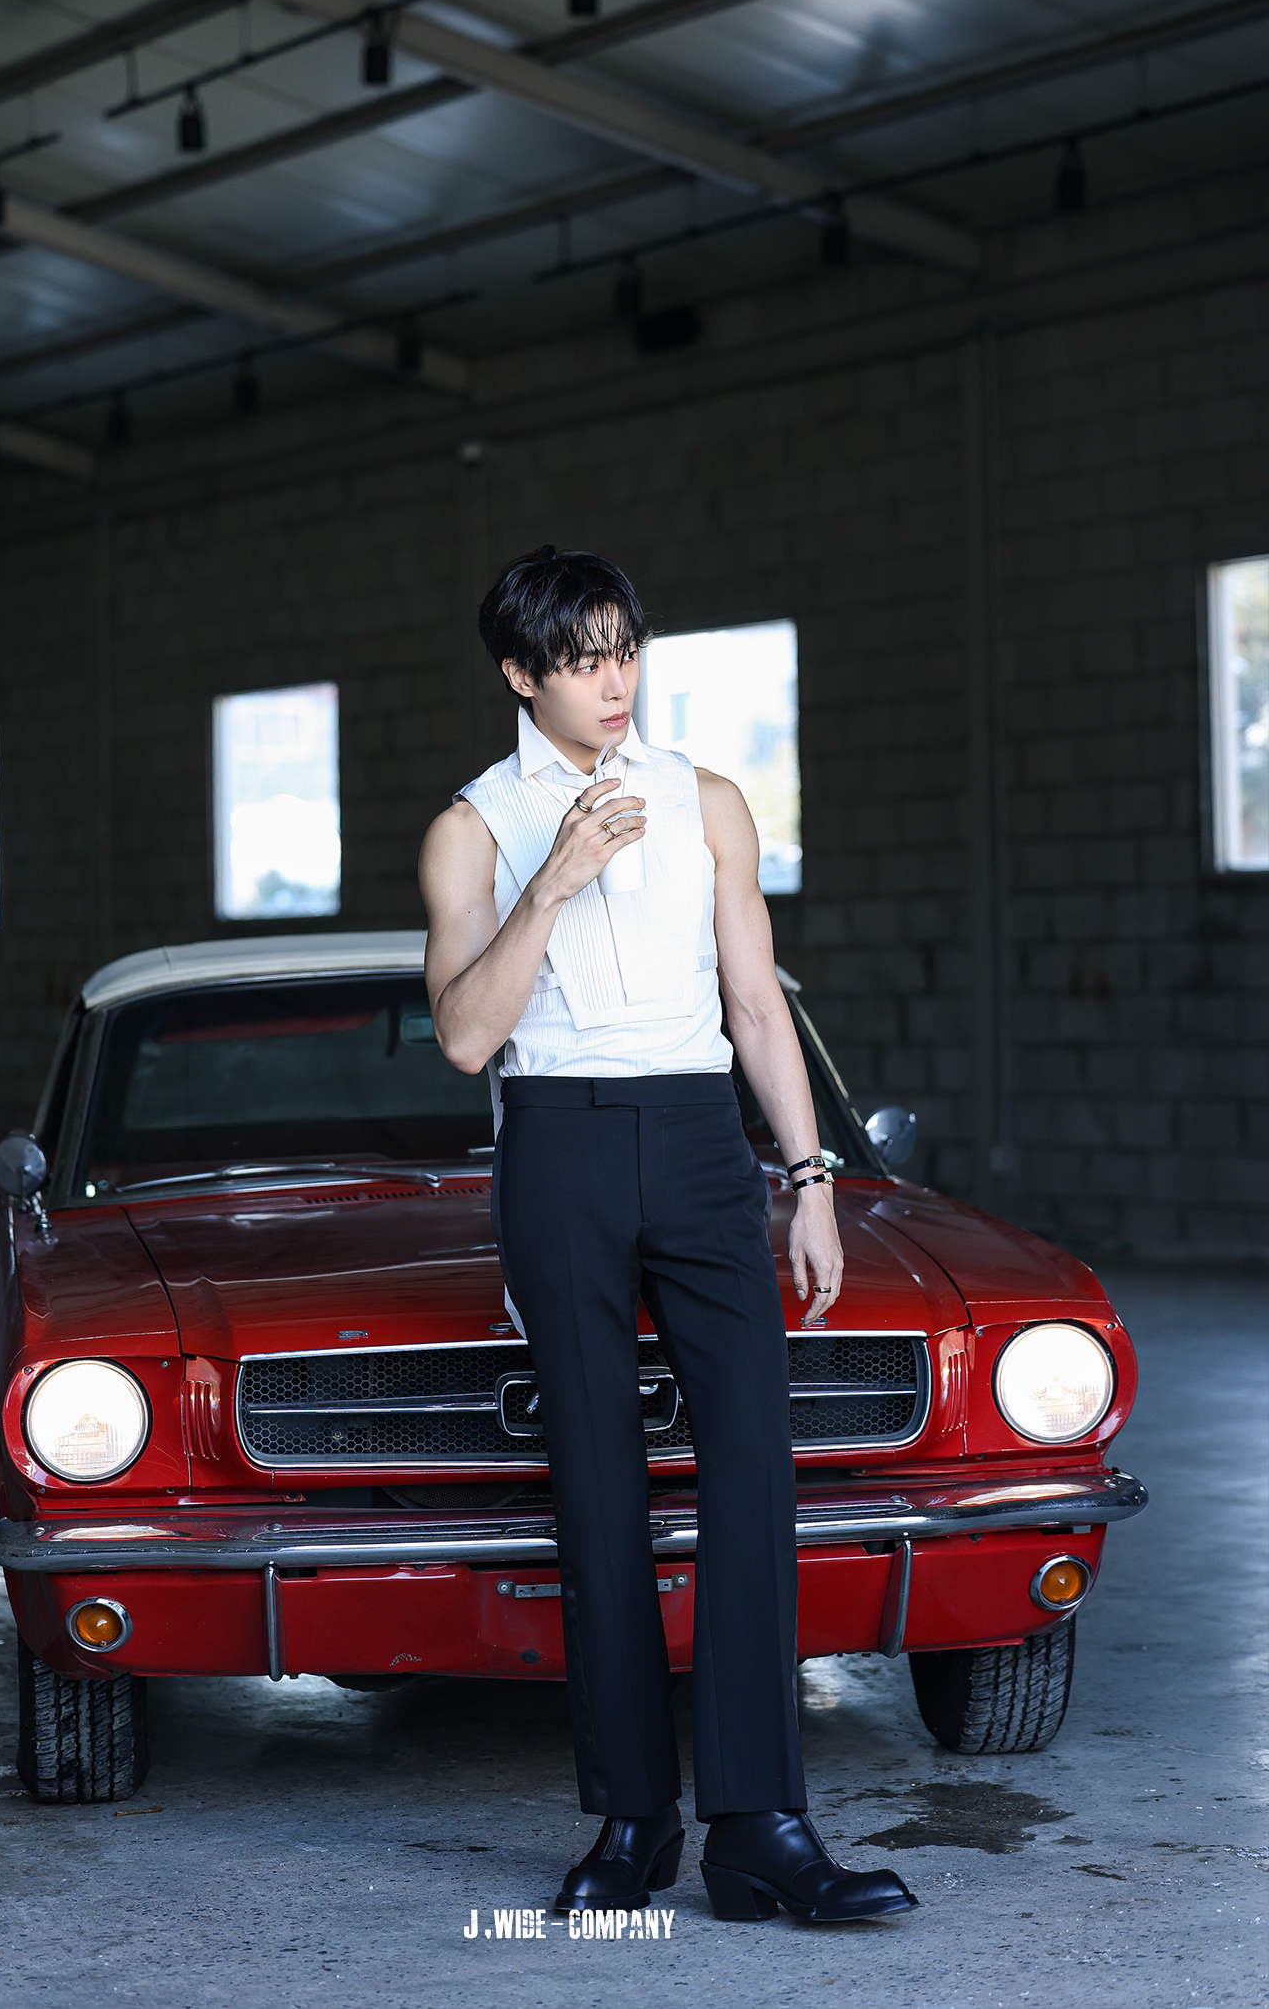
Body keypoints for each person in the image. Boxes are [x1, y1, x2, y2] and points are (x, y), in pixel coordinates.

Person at [419, 546, 916, 1925]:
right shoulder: (472, 830)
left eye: (625, 650)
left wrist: (809, 1177)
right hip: (559, 1143)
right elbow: (464, 1039)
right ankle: (633, 1821)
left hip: (702, 1140)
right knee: (598, 1484)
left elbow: (755, 1004)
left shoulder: (709, 802)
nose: (613, 682)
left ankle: (762, 1826)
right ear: (520, 674)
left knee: (754, 1465)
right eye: (582, 659)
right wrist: (555, 880)